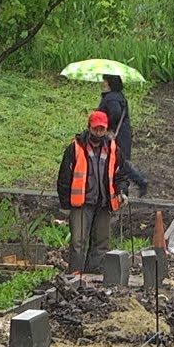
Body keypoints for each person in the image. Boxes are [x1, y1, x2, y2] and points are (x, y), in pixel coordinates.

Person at [57, 110, 131, 274]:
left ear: (106, 129)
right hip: (81, 204)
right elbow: (64, 178)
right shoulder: (75, 148)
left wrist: (122, 191)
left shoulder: (113, 149)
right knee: (78, 242)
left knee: (101, 242)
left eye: (101, 129)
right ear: (89, 127)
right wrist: (65, 204)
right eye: (95, 129)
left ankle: (93, 275)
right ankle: (75, 275)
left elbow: (121, 174)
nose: (98, 132)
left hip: (104, 204)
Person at [98, 74, 148, 197]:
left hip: (116, 135)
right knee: (119, 161)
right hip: (122, 134)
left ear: (110, 83)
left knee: (120, 161)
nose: (102, 83)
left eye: (105, 81)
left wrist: (106, 126)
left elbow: (115, 113)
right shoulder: (117, 97)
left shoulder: (112, 98)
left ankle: (138, 181)